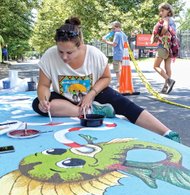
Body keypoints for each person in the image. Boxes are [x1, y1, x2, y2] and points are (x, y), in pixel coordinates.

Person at [32, 16, 180, 143]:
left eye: (69, 52)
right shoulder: (49, 55)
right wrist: (43, 99)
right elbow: (44, 85)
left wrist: (91, 94)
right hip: (65, 98)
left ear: (80, 45)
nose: (64, 57)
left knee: (125, 104)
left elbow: (106, 78)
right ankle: (91, 110)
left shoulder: (94, 54)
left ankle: (166, 132)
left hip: (95, 94)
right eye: (60, 51)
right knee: (38, 104)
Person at [151, 3, 177, 94]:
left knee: (155, 66)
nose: (161, 12)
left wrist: (159, 34)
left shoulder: (165, 19)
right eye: (160, 11)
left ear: (168, 11)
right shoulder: (172, 20)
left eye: (163, 10)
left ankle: (169, 81)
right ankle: (166, 87)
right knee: (167, 67)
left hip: (163, 45)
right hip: (171, 46)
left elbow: (165, 28)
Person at [102, 21, 128, 88]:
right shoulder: (123, 34)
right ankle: (124, 83)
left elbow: (114, 44)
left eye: (113, 28)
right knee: (123, 69)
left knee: (117, 70)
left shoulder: (117, 34)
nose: (112, 30)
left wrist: (106, 41)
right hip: (124, 54)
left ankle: (120, 83)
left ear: (117, 27)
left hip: (117, 53)